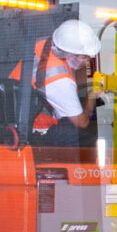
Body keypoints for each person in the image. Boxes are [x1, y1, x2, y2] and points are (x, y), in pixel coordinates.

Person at [9, 19, 101, 147]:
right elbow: (82, 122)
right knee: (86, 136)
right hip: (34, 131)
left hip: (14, 114)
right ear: (70, 56)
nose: (87, 61)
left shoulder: (46, 42)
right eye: (84, 57)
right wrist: (91, 97)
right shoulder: (61, 81)